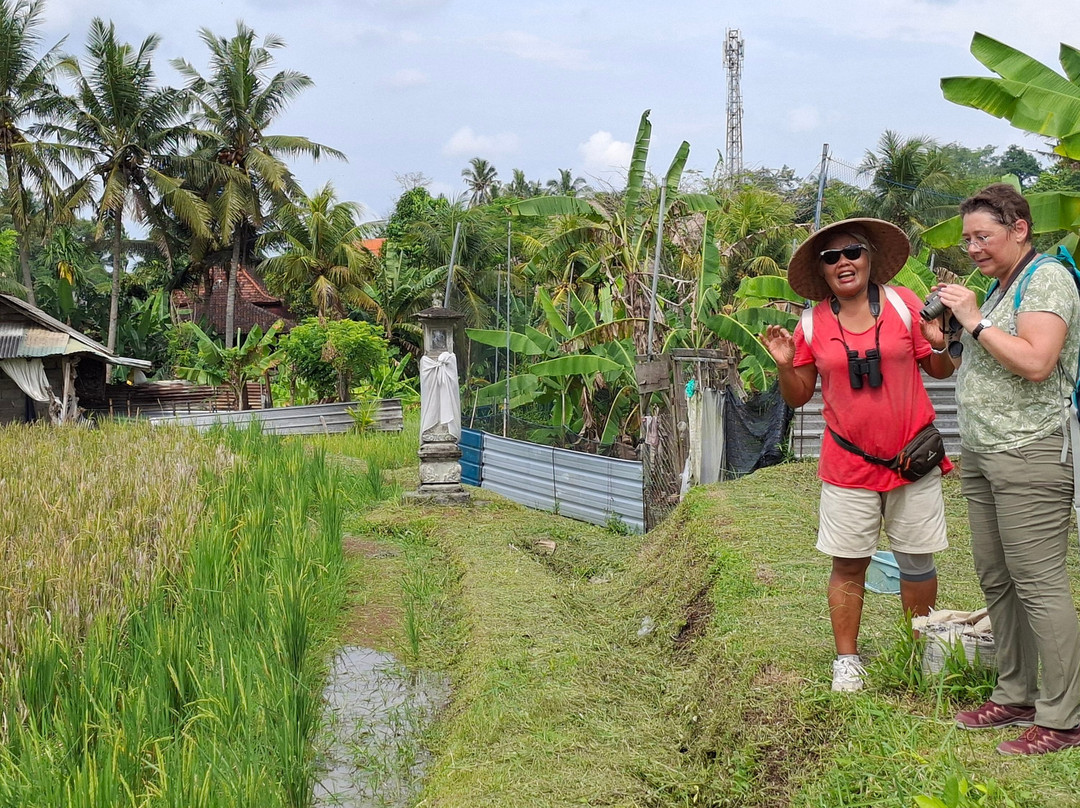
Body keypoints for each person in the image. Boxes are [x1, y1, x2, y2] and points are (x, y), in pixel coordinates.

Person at [763, 218, 955, 692]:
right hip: (848, 464)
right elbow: (797, 395)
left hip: (912, 458)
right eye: (831, 257)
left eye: (852, 252)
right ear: (823, 272)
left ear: (869, 258)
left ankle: (919, 651)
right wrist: (787, 366)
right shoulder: (809, 323)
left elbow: (939, 368)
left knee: (916, 560)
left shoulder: (903, 304)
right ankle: (846, 661)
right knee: (848, 563)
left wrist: (941, 343)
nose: (843, 262)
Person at [930, 184, 1080, 755]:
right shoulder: (1001, 287)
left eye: (982, 236)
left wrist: (972, 320)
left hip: (1031, 450)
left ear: (1019, 227)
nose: (971, 247)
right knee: (998, 577)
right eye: (967, 238)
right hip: (985, 450)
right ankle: (1016, 692)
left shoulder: (1046, 279)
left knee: (1040, 584)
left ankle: (1065, 717)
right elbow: (979, 362)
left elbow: (1038, 362)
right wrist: (948, 335)